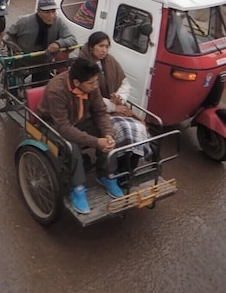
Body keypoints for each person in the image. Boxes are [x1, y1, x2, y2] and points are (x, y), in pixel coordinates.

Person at [36, 56, 123, 214]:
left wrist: (107, 134)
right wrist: (97, 142)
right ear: (77, 82)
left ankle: (106, 174)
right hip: (52, 124)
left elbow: (100, 112)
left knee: (109, 133)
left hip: (78, 120)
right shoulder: (57, 89)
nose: (95, 85)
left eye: (96, 81)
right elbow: (63, 127)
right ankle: (77, 187)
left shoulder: (91, 85)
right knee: (71, 147)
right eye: (91, 83)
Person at [75, 32, 150, 153]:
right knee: (122, 129)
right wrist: (114, 107)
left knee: (139, 127)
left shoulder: (110, 61)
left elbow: (124, 82)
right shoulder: (82, 64)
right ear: (91, 47)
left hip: (114, 106)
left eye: (107, 46)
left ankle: (132, 159)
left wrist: (119, 97)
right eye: (100, 46)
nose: (104, 50)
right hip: (93, 110)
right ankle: (116, 161)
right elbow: (90, 95)